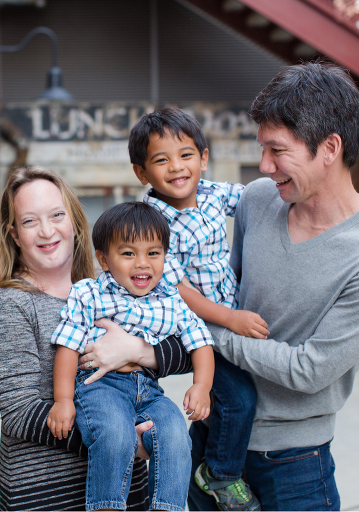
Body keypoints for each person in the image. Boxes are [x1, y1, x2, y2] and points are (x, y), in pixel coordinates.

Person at [182, 62, 359, 511]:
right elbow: (224, 299)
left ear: (330, 148)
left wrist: (205, 330)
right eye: (261, 148)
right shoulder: (257, 200)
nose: (264, 165)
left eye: (277, 150)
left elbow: (309, 370)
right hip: (211, 439)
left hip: (292, 463)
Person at [0, 166, 194, 511]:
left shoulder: (109, 286)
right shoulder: (11, 305)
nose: (47, 231)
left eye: (56, 215)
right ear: (14, 234)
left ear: (75, 221)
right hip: (50, 494)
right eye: (30, 221)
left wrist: (138, 350)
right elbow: (19, 413)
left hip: (129, 489)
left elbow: (185, 345)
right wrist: (120, 439)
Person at [128, 107, 267, 511]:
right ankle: (220, 474)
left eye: (186, 155)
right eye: (161, 160)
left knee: (222, 403)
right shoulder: (152, 221)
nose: (177, 167)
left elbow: (254, 198)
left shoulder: (213, 193)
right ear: (142, 173)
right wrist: (231, 319)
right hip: (195, 327)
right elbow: (178, 289)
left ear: (203, 158)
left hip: (225, 314)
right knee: (238, 400)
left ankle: (192, 468)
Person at [48, 202, 215, 512]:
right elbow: (68, 345)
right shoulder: (91, 294)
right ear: (104, 259)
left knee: (176, 433)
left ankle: (168, 507)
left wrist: (202, 386)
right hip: (101, 386)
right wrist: (63, 399)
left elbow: (200, 341)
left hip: (149, 392)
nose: (143, 264)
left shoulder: (171, 299)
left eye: (153, 253)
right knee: (115, 434)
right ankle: (106, 505)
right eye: (128, 254)